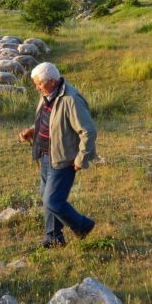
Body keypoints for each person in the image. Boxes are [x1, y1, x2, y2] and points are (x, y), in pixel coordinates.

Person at [18, 62, 97, 248]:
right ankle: (53, 238)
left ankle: (83, 226)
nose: (37, 88)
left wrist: (81, 158)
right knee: (46, 197)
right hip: (45, 155)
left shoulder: (71, 99)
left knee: (53, 200)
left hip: (63, 158)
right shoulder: (47, 95)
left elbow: (88, 131)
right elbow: (51, 120)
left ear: (52, 81)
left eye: (39, 84)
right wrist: (33, 131)